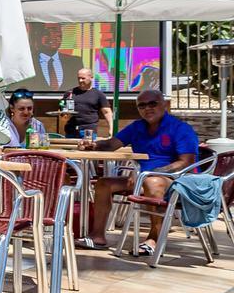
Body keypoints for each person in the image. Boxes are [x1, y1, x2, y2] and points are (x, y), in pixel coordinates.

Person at [80, 89, 198, 254]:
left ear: (164, 105)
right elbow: (113, 144)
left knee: (152, 182)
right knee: (103, 184)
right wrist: (94, 145)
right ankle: (97, 237)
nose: (147, 108)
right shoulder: (137, 127)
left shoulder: (180, 128)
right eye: (142, 105)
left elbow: (186, 162)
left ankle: (154, 238)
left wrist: (151, 173)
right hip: (142, 179)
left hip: (177, 181)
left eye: (152, 103)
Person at [0, 89, 47, 157]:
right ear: (12, 108)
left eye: (29, 108)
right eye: (21, 109)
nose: (26, 112)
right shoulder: (1, 125)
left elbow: (43, 152)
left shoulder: (38, 126)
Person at [29, 23, 84, 91]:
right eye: (46, 33)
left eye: (56, 32)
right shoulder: (28, 63)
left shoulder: (75, 62)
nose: (53, 36)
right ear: (37, 36)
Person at [60, 68, 113, 138]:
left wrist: (111, 129)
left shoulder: (98, 94)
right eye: (78, 78)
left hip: (88, 131)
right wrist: (64, 113)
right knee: (69, 149)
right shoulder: (70, 93)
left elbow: (107, 112)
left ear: (91, 78)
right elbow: (63, 113)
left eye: (83, 78)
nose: (80, 80)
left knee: (87, 148)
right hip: (71, 130)